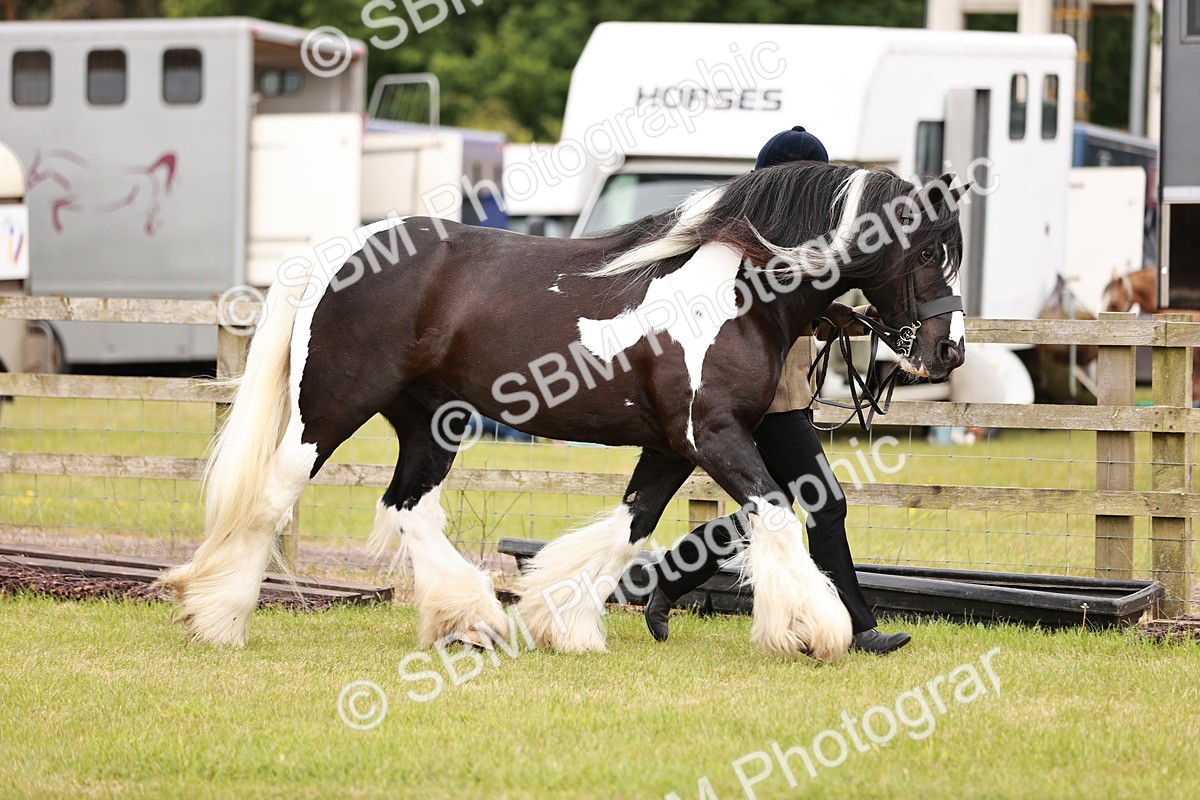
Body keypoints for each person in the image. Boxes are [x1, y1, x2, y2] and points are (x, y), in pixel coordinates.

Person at [642, 126, 911, 655]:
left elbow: (798, 309)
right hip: (764, 403)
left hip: (785, 396)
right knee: (822, 504)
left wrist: (846, 316)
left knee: (768, 511)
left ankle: (670, 579)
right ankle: (856, 628)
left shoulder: (796, 237)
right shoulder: (751, 239)